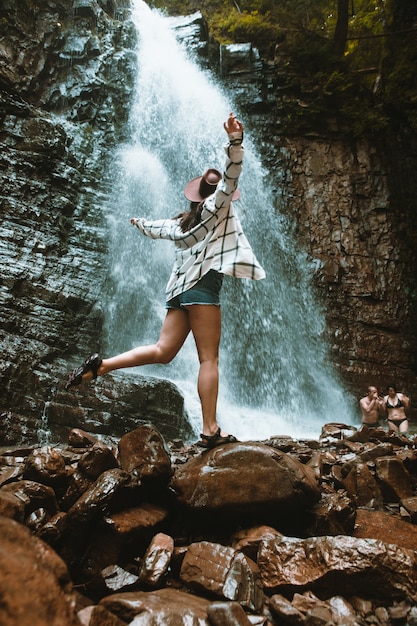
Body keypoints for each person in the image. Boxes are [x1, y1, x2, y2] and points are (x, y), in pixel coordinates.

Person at [65, 112, 266, 449]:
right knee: (209, 360)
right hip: (202, 288)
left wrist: (138, 222)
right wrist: (234, 142)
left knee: (163, 351)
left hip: (177, 292)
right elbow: (231, 178)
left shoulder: (181, 224)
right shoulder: (218, 209)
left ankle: (101, 366)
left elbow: (156, 228)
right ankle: (210, 430)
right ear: (214, 196)